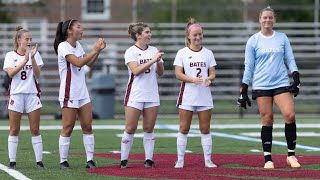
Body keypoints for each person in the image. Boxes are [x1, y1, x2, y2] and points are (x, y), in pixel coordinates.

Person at [237, 6, 301, 169]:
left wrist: (296, 76)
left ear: (274, 20)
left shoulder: (282, 38)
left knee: (290, 115)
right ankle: (268, 159)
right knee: (267, 120)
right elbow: (249, 66)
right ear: (260, 20)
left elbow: (290, 59)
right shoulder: (253, 40)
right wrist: (244, 88)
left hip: (280, 83)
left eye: (270, 17)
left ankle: (291, 155)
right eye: (264, 17)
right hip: (261, 84)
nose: (267, 20)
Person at [53, 19, 106, 169]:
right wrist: (95, 50)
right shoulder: (63, 46)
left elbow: (88, 63)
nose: (82, 30)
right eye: (78, 27)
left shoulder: (78, 45)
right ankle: (63, 160)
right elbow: (78, 62)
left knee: (87, 126)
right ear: (69, 31)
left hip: (82, 92)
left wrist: (98, 51)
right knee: (68, 127)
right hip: (69, 93)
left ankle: (90, 160)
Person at [173, 18, 217, 168]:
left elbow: (212, 73)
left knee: (205, 128)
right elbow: (178, 74)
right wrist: (192, 79)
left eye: (200, 34)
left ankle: (208, 160)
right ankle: (180, 160)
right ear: (188, 36)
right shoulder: (182, 53)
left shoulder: (208, 53)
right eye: (195, 35)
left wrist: (209, 79)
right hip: (188, 95)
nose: (198, 37)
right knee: (184, 128)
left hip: (204, 95)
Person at [120, 22, 164, 168]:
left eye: (149, 32)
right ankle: (124, 160)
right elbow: (136, 71)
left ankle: (149, 159)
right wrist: (153, 60)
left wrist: (159, 62)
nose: (149, 34)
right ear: (138, 35)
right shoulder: (130, 51)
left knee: (149, 128)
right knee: (130, 128)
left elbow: (160, 73)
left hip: (151, 94)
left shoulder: (154, 50)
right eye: (146, 32)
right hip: (135, 94)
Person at [3, 26, 45, 169]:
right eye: (26, 39)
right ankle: (12, 162)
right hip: (16, 95)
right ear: (19, 40)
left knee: (35, 129)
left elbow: (38, 74)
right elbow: (11, 73)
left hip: (32, 94)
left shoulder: (35, 54)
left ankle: (39, 162)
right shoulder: (10, 55)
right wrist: (24, 59)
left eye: (31, 39)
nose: (29, 41)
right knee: (14, 129)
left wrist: (32, 58)